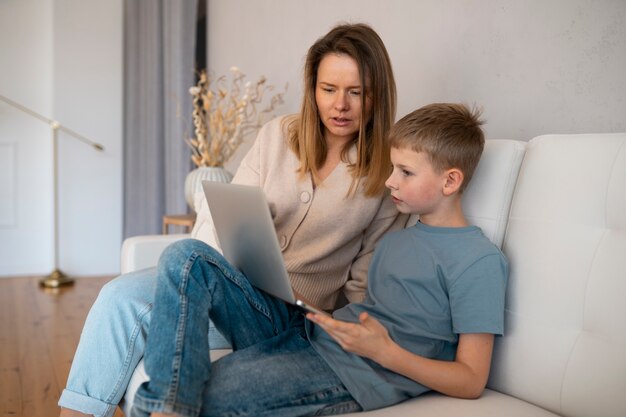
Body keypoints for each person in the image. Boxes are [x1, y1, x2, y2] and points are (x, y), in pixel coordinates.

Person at [59, 23, 406, 417]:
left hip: (291, 319)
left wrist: (337, 328)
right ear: (312, 90)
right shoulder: (279, 135)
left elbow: (365, 285)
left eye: (356, 92)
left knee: (181, 259)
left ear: (377, 94)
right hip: (234, 289)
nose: (340, 105)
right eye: (328, 90)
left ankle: (170, 408)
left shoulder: (386, 174)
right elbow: (221, 213)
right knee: (118, 297)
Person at [129, 102, 509, 417]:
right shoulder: (398, 241)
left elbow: (471, 379)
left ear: (450, 181)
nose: (390, 181)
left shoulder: (478, 261)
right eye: (393, 168)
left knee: (194, 395)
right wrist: (291, 295)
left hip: (352, 372)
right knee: (187, 256)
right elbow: (362, 310)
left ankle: (165, 408)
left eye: (405, 172)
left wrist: (385, 352)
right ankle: (169, 406)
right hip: (308, 333)